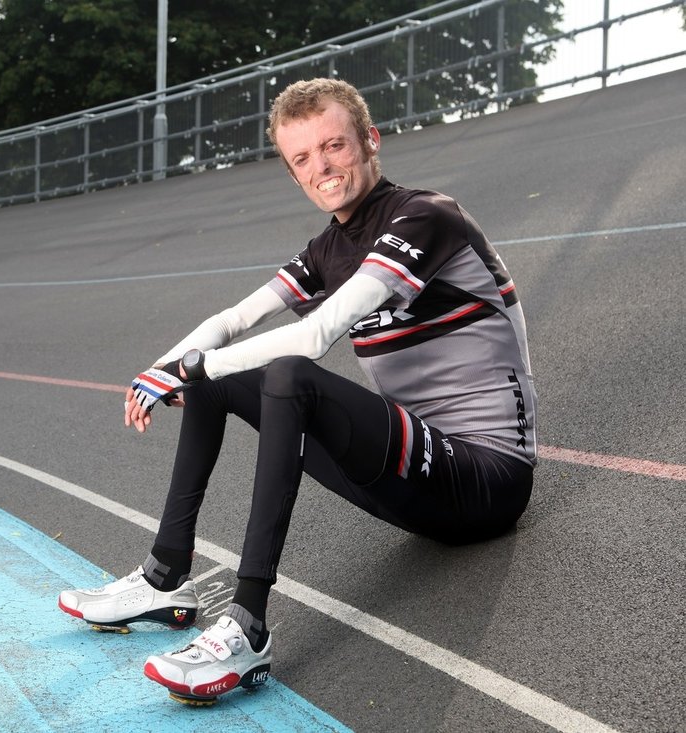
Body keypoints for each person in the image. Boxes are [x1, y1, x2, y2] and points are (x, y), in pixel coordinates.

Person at [58, 77, 538, 704]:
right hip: (411, 481)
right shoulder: (328, 248)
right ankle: (166, 577)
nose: (323, 168)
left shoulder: (425, 216)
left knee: (279, 371)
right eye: (303, 159)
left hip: (487, 479)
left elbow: (313, 338)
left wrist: (194, 366)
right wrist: (167, 365)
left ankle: (248, 624)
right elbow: (234, 321)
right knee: (221, 373)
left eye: (334, 146)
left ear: (370, 141)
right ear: (292, 173)